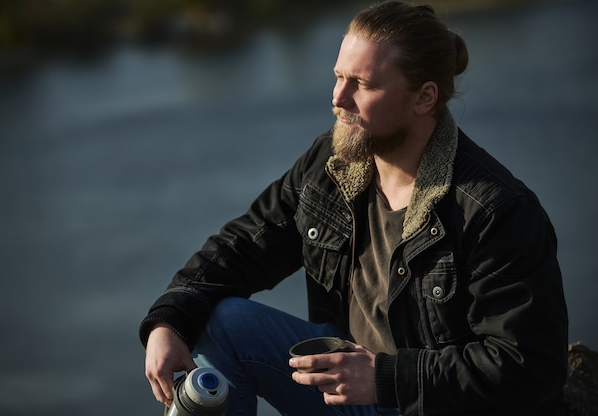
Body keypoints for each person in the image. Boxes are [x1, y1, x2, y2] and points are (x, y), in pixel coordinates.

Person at [139, 2, 568, 415]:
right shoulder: (331, 164)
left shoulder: (495, 210)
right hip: (348, 395)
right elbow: (244, 245)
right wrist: (170, 319)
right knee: (221, 320)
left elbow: (529, 366)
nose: (338, 98)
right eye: (338, 77)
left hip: (427, 403)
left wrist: (388, 378)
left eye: (362, 84)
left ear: (424, 98)